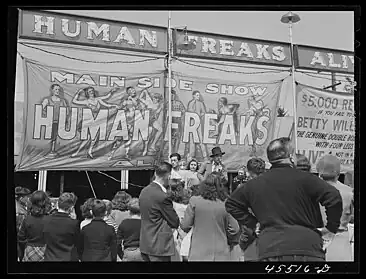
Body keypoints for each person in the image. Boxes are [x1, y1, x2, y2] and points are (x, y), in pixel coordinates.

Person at [225, 137, 343, 262]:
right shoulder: (307, 179)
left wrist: (253, 223)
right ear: (291, 157)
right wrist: (331, 229)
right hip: (308, 248)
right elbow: (333, 197)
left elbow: (231, 204)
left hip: (270, 249)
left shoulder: (254, 184)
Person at [180, 173, 240, 261]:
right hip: (220, 253)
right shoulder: (225, 204)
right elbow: (235, 229)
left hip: (199, 252)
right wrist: (229, 239)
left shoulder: (195, 201)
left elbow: (185, 225)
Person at [139, 161, 180, 262]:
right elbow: (174, 221)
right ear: (168, 176)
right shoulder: (162, 196)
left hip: (146, 243)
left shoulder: (144, 191)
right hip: (159, 246)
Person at [316, 154, 354, 261]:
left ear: (319, 172)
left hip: (316, 240)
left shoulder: (310, 191)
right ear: (338, 173)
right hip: (340, 241)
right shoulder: (349, 192)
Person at [71, 86, 118, 159]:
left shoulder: (98, 99)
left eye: (92, 90)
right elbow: (74, 101)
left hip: (97, 120)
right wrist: (78, 93)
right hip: (89, 120)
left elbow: (107, 99)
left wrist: (112, 96)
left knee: (94, 138)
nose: (91, 92)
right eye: (89, 91)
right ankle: (77, 152)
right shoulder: (86, 101)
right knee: (87, 138)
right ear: (87, 93)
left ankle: (89, 152)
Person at [238, 158, 266, 262]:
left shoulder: (247, 190)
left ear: (249, 173)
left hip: (253, 242)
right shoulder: (273, 187)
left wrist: (243, 241)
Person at [43, 192, 80, 261]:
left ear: (57, 204)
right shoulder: (74, 223)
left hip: (49, 258)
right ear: (71, 208)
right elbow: (77, 243)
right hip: (67, 258)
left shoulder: (46, 220)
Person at [18, 190, 50, 262]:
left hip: (29, 251)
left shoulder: (27, 219)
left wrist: (26, 246)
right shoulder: (50, 220)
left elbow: (21, 238)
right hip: (45, 252)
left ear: (31, 203)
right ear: (46, 203)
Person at [41, 84, 70, 157]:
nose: (57, 91)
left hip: (59, 122)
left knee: (55, 136)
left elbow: (67, 111)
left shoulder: (63, 101)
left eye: (58, 90)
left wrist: (65, 120)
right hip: (50, 122)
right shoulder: (47, 100)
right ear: (52, 90)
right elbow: (41, 109)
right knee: (50, 136)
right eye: (56, 89)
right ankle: (50, 151)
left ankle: (53, 150)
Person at [184, 90, 208, 160]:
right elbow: (188, 112)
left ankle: (205, 156)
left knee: (201, 139)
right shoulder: (190, 103)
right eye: (197, 95)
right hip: (191, 123)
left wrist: (199, 115)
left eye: (199, 95)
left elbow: (203, 112)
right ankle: (191, 156)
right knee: (192, 140)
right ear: (193, 96)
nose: (198, 96)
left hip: (198, 123)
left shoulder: (200, 103)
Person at [15, 186, 31, 261]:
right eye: (27, 197)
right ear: (21, 198)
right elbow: (20, 229)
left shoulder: (21, 206)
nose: (28, 199)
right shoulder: (20, 212)